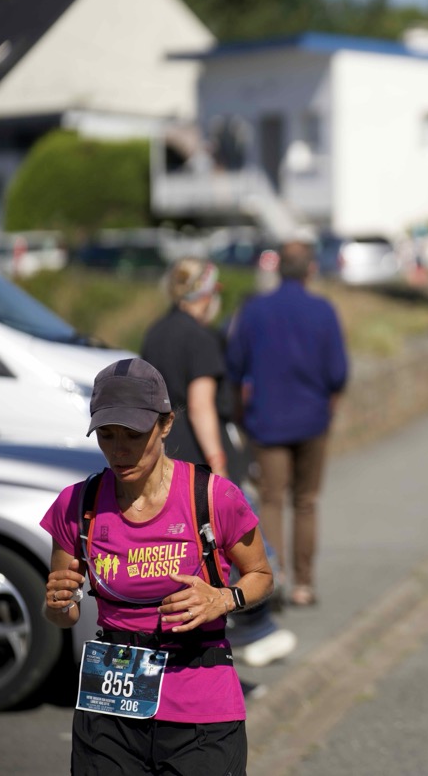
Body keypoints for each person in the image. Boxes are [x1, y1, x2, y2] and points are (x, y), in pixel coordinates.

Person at [41, 358, 274, 774]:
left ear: (165, 425)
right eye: (107, 435)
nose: (119, 450)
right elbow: (63, 613)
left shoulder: (213, 497)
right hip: (110, 704)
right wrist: (58, 605)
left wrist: (225, 599)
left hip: (200, 705)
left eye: (133, 435)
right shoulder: (77, 504)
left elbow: (261, 576)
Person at [141, 258, 297, 668]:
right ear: (206, 293)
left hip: (164, 455)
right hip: (200, 460)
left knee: (184, 550)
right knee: (239, 544)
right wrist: (219, 464)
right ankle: (254, 629)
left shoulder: (155, 333)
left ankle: (216, 633)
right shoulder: (200, 337)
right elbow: (201, 405)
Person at [227, 240, 348, 608]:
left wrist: (240, 411)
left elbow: (235, 365)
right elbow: (338, 373)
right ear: (311, 268)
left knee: (272, 500)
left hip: (267, 419)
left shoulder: (254, 310)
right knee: (306, 501)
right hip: (312, 419)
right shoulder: (323, 310)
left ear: (278, 268)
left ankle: (272, 579)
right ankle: (304, 585)